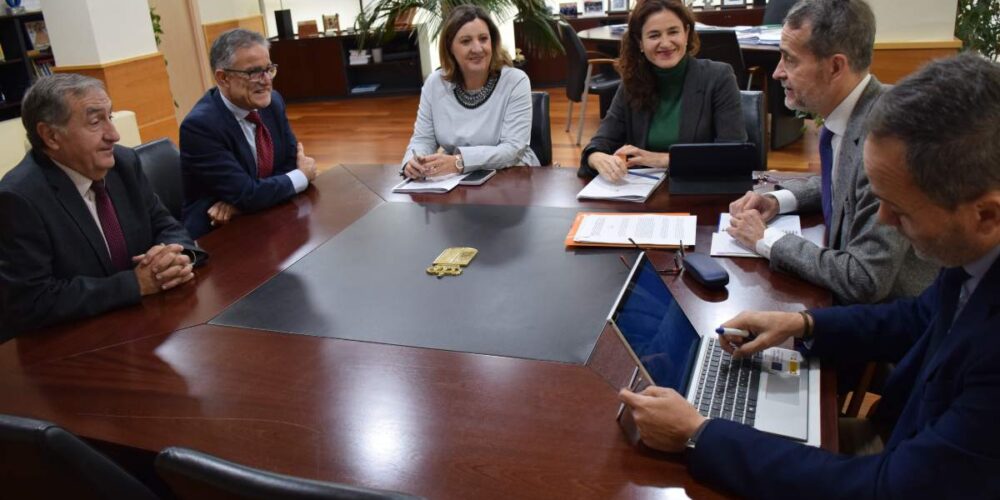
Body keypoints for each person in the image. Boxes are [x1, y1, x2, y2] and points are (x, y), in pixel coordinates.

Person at [619, 54, 1000, 499]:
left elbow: (884, 489)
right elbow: (919, 317)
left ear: (986, 215)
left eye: (901, 210)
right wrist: (803, 324)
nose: (882, 219)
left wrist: (699, 436)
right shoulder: (975, 252)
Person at [727, 0, 935, 304]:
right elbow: (842, 183)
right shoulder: (856, 111)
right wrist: (777, 200)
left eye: (789, 59)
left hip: (895, 324)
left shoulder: (888, 138)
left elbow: (865, 279)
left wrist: (765, 239)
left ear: (836, 66)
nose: (777, 73)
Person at [0, 74, 206, 339]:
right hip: (72, 347)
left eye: (111, 116)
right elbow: (32, 301)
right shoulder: (19, 199)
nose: (114, 134)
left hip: (146, 326)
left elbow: (166, 224)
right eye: (96, 121)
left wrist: (175, 256)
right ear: (51, 136)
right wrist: (135, 284)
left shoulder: (124, 163)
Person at [578, 0, 746, 181]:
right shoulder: (632, 83)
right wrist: (595, 157)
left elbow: (733, 155)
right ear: (640, 42)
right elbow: (602, 140)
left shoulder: (718, 77)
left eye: (673, 32)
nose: (665, 43)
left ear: (686, 33)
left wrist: (662, 159)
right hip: (642, 195)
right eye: (654, 35)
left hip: (701, 190)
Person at [180, 28, 317, 239]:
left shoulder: (273, 102)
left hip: (262, 216)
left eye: (268, 69)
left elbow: (289, 162)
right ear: (223, 78)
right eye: (253, 72)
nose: (266, 80)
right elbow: (248, 193)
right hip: (218, 231)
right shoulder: (200, 127)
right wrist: (301, 177)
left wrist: (245, 203)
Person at [401, 5, 538, 179]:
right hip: (454, 179)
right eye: (466, 41)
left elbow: (512, 150)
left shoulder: (515, 81)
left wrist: (459, 162)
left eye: (483, 39)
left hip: (511, 175)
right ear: (450, 48)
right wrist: (412, 162)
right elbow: (423, 139)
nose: (478, 48)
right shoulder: (434, 83)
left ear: (492, 42)